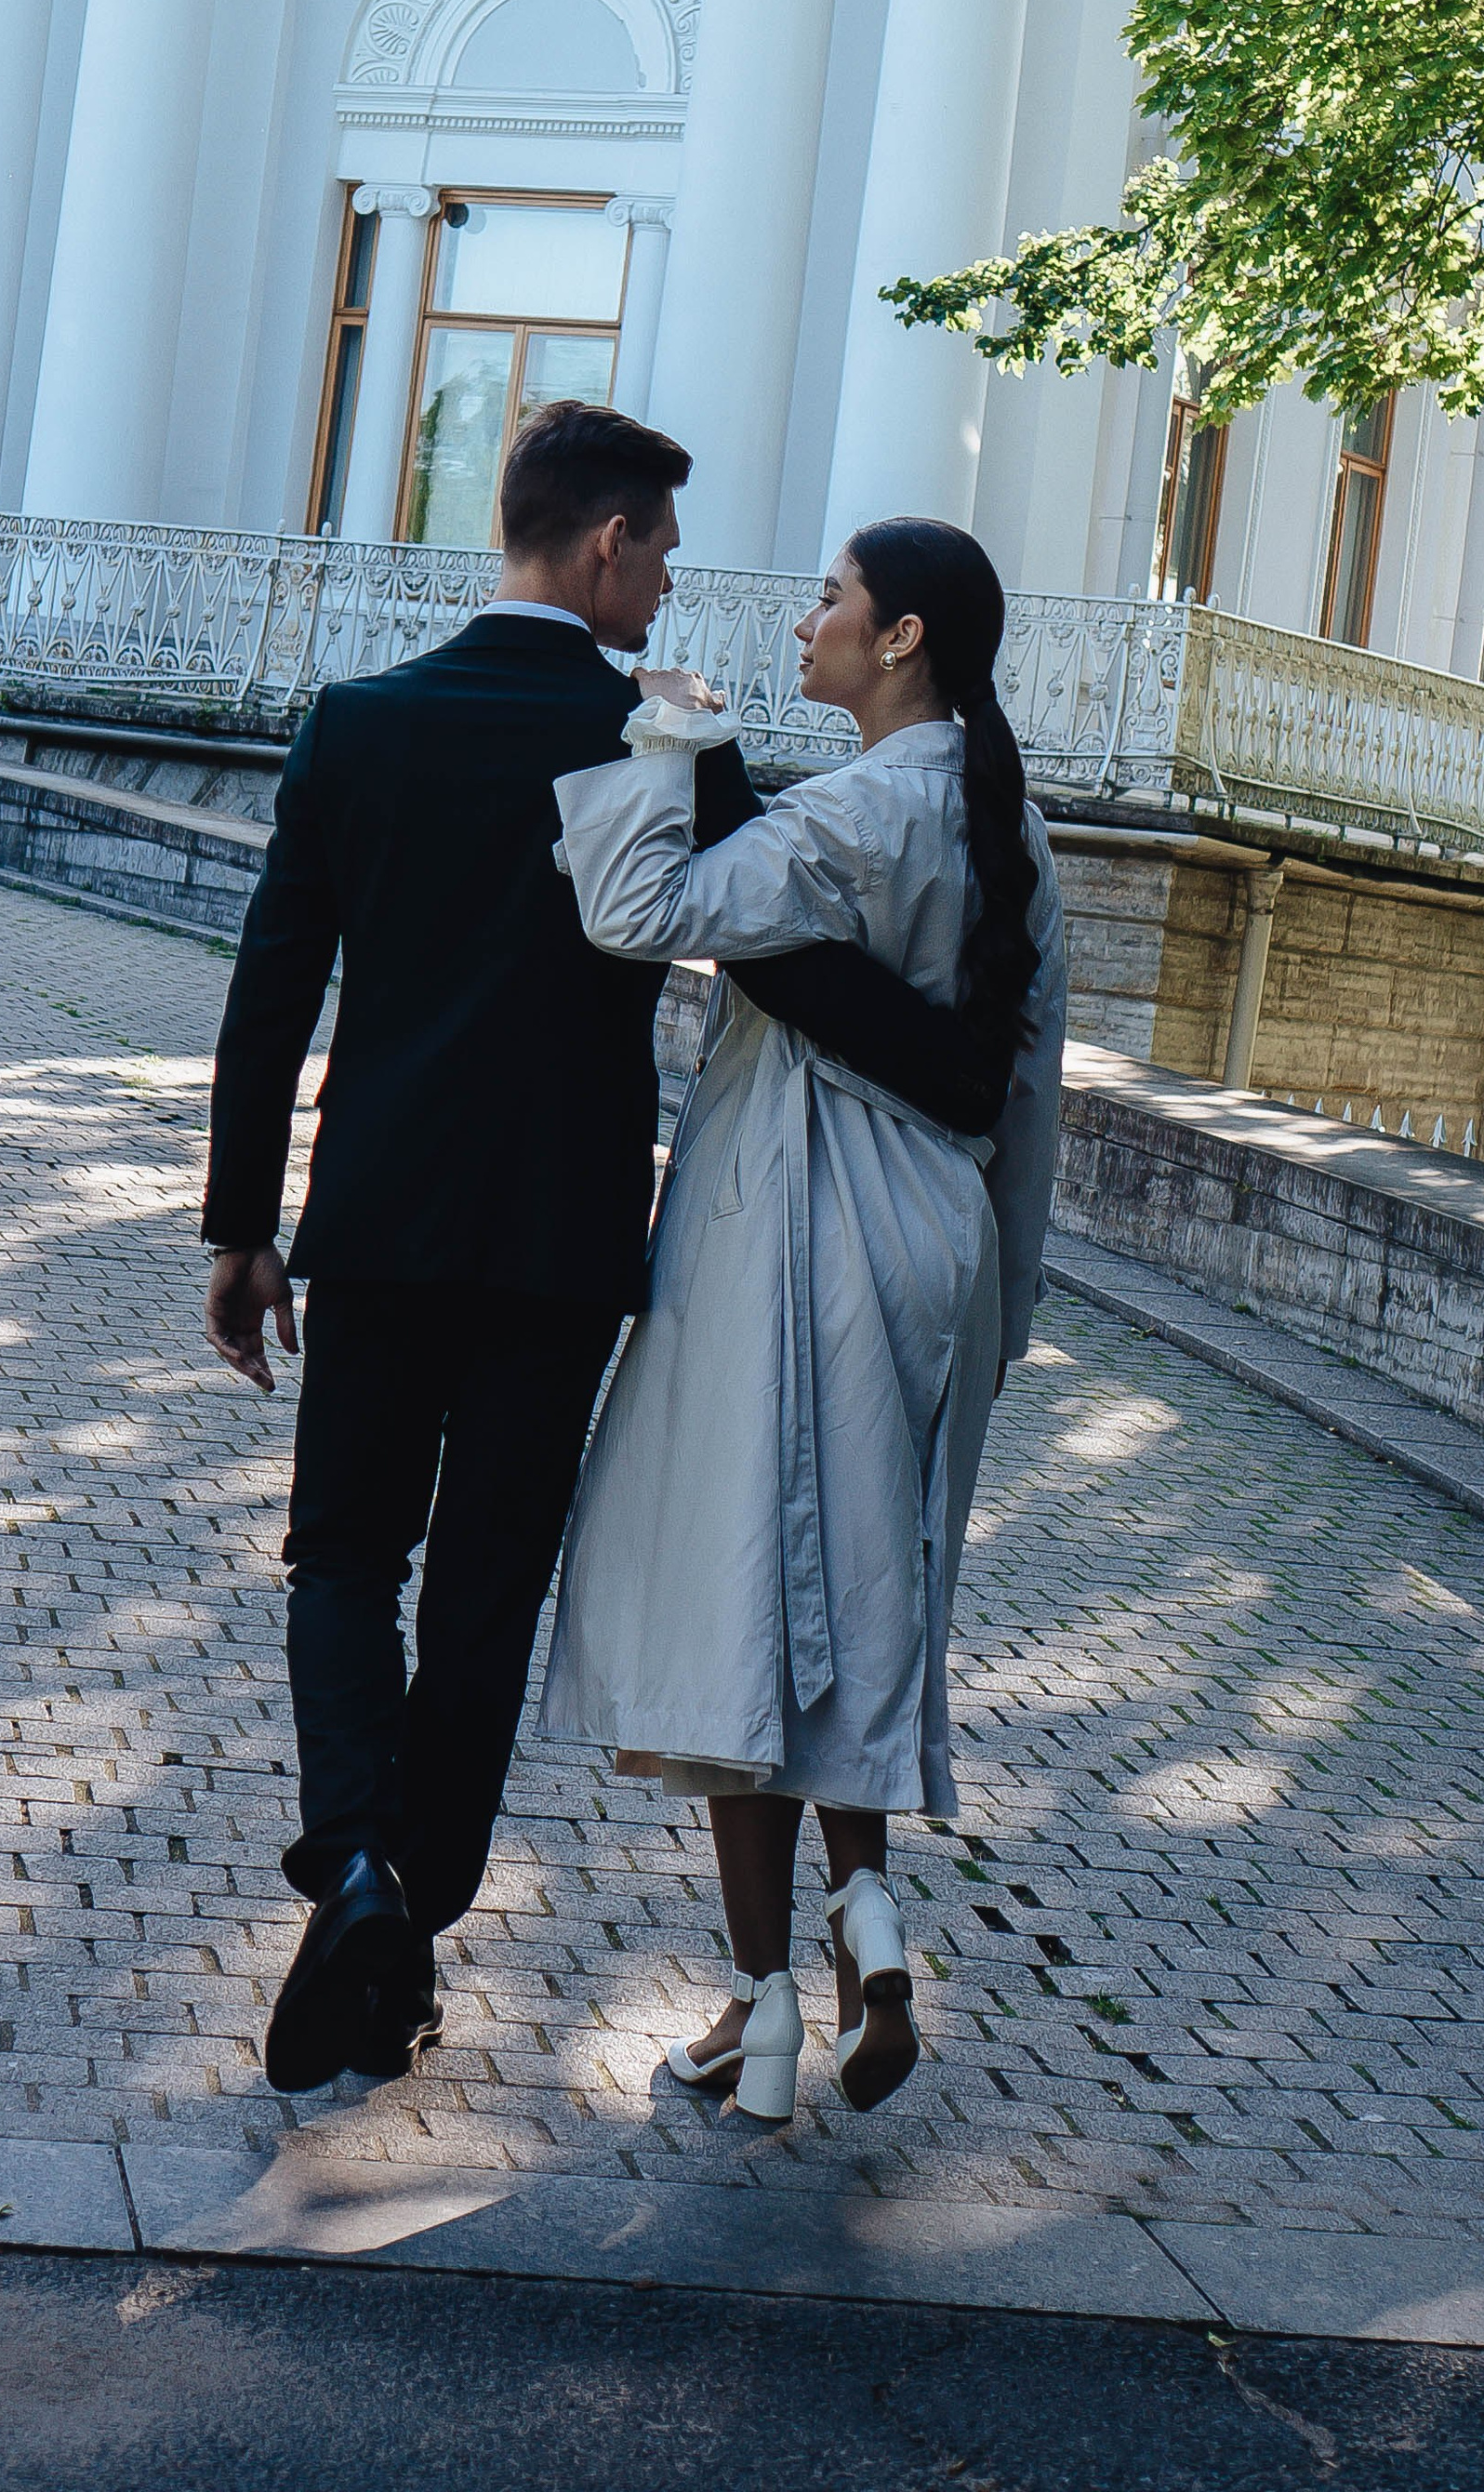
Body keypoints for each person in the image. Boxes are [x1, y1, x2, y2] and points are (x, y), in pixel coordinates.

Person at [199, 403, 1004, 2100]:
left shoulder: (359, 723)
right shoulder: (670, 748)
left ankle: (351, 1869)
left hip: (381, 1225)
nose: (674, 587)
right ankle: (405, 1930)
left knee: (342, 1562)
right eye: (665, 551)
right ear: (607, 546)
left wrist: (240, 1226)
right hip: (565, 1247)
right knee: (485, 1596)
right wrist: (950, 1067)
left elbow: (273, 990)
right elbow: (777, 948)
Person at [541, 517, 1067, 2123]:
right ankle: (868, 1923)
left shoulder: (851, 811)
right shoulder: (1013, 827)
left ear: (901, 637)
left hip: (801, 1217)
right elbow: (1030, 1084)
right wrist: (1009, 1298)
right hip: (942, 1242)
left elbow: (634, 907)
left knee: (738, 1602)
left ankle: (770, 2002)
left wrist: (663, 733)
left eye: (831, 601)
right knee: (856, 1595)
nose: (805, 623)